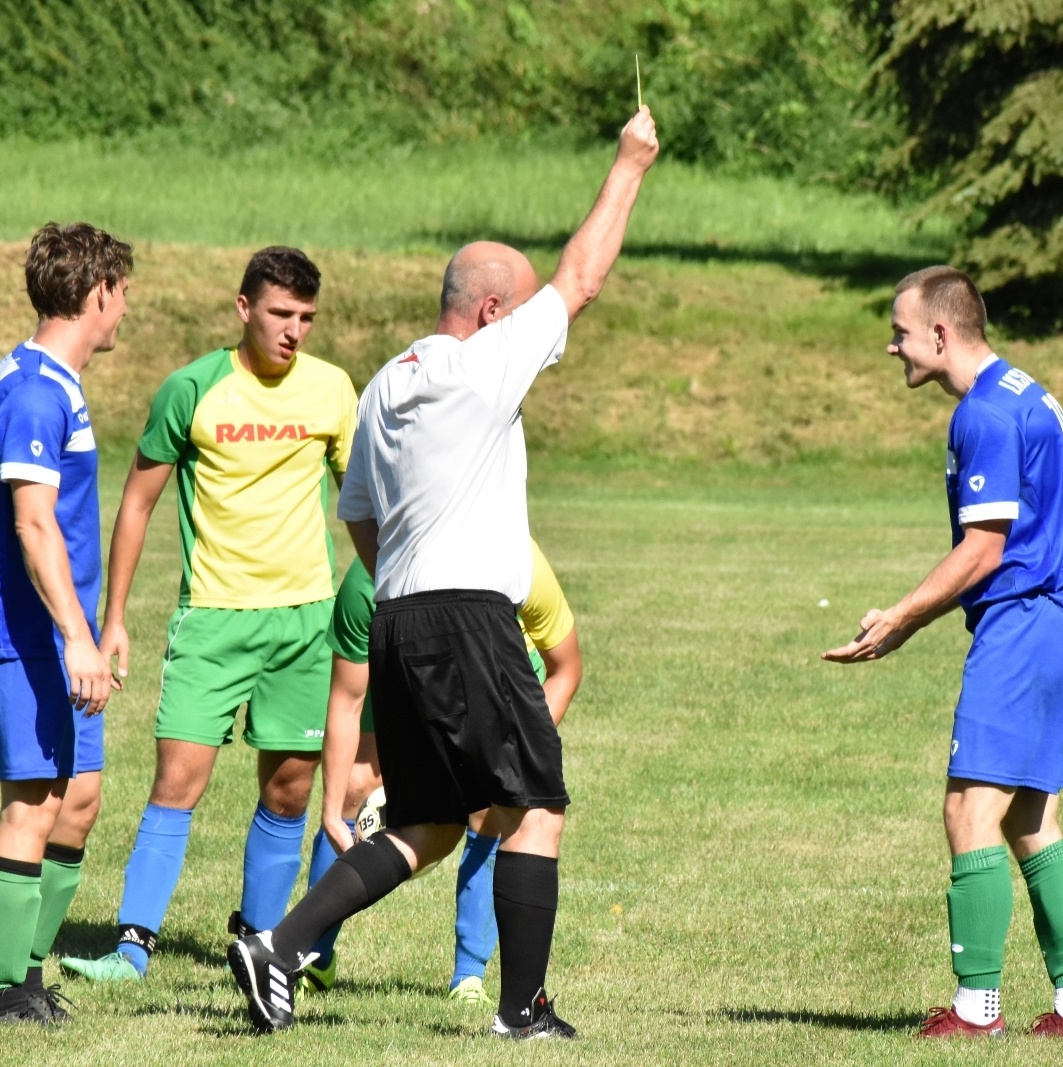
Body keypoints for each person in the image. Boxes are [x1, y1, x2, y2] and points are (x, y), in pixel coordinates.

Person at [227, 105, 659, 1038]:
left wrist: (405, 596)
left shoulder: (385, 383)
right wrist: (630, 162)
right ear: (494, 310)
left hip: (399, 618)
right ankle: (523, 1008)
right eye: (523, 306)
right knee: (536, 804)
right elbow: (582, 275)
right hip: (468, 615)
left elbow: (360, 516)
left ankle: (280, 946)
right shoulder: (482, 363)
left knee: (427, 824)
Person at [822, 266, 1063, 1039]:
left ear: (942, 334)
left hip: (1028, 616)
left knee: (967, 808)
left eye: (901, 331)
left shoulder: (983, 413)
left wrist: (901, 620)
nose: (893, 346)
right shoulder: (1024, 389)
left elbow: (984, 549)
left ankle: (976, 1009)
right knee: (1029, 817)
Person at [61, 247, 357, 982]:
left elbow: (362, 506)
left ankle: (265, 946)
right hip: (213, 619)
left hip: (306, 622)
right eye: (281, 314)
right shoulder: (192, 388)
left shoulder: (332, 389)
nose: (294, 330)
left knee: (290, 787)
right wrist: (116, 615)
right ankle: (132, 950)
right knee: (178, 779)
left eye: (307, 318)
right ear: (244, 308)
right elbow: (136, 502)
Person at [0, 222, 132, 1023]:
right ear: (97, 292)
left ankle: (30, 972)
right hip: (31, 637)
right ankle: (5, 992)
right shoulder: (33, 390)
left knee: (80, 796)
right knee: (31, 802)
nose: (124, 310)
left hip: (61, 634)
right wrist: (74, 635)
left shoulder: (52, 380)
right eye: (122, 293)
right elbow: (33, 526)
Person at [304, 539, 583, 1003]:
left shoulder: (518, 557)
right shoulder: (366, 582)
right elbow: (347, 700)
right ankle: (313, 955)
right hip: (403, 654)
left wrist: (509, 760)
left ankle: (468, 974)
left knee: (493, 809)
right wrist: (332, 808)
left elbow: (566, 669)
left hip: (495, 663)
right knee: (354, 788)